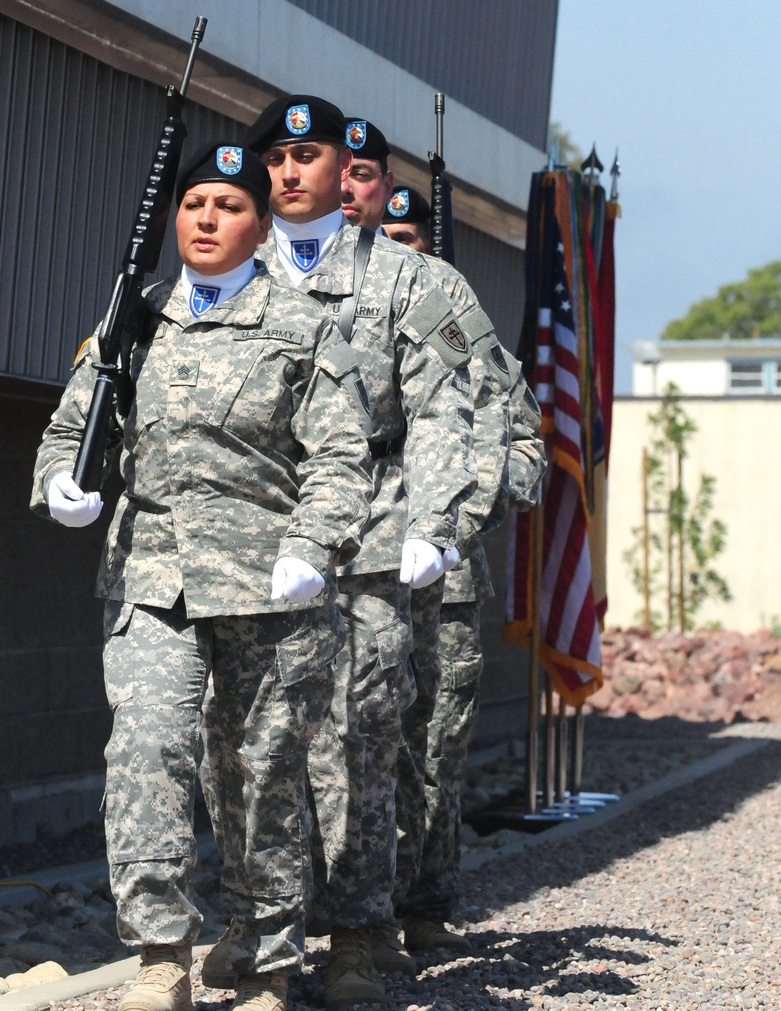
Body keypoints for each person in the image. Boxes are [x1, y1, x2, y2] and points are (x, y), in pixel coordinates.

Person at [30, 142, 375, 1011]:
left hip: (271, 584)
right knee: (147, 750)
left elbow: (342, 456)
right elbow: (72, 426)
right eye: (194, 206)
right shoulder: (133, 321)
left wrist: (315, 543)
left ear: (261, 225)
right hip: (151, 577)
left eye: (228, 206)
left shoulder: (302, 327)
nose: (207, 221)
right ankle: (159, 956)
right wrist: (61, 481)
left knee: (259, 770)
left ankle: (265, 961)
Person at [203, 97, 477, 1011]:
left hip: (370, 538)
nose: (286, 172)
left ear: (342, 173)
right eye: (273, 156)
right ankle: (256, 921)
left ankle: (359, 932)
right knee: (244, 740)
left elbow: (444, 410)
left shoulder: (405, 279)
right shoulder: (234, 270)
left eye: (306, 155)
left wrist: (436, 525)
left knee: (361, 736)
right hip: (257, 536)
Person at [345, 171, 544, 954]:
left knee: (430, 746)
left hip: (443, 577)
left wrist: (469, 510)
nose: (392, 244)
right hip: (342, 558)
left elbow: (513, 425)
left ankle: (420, 904)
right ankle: (338, 911)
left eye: (407, 237)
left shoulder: (443, 305)